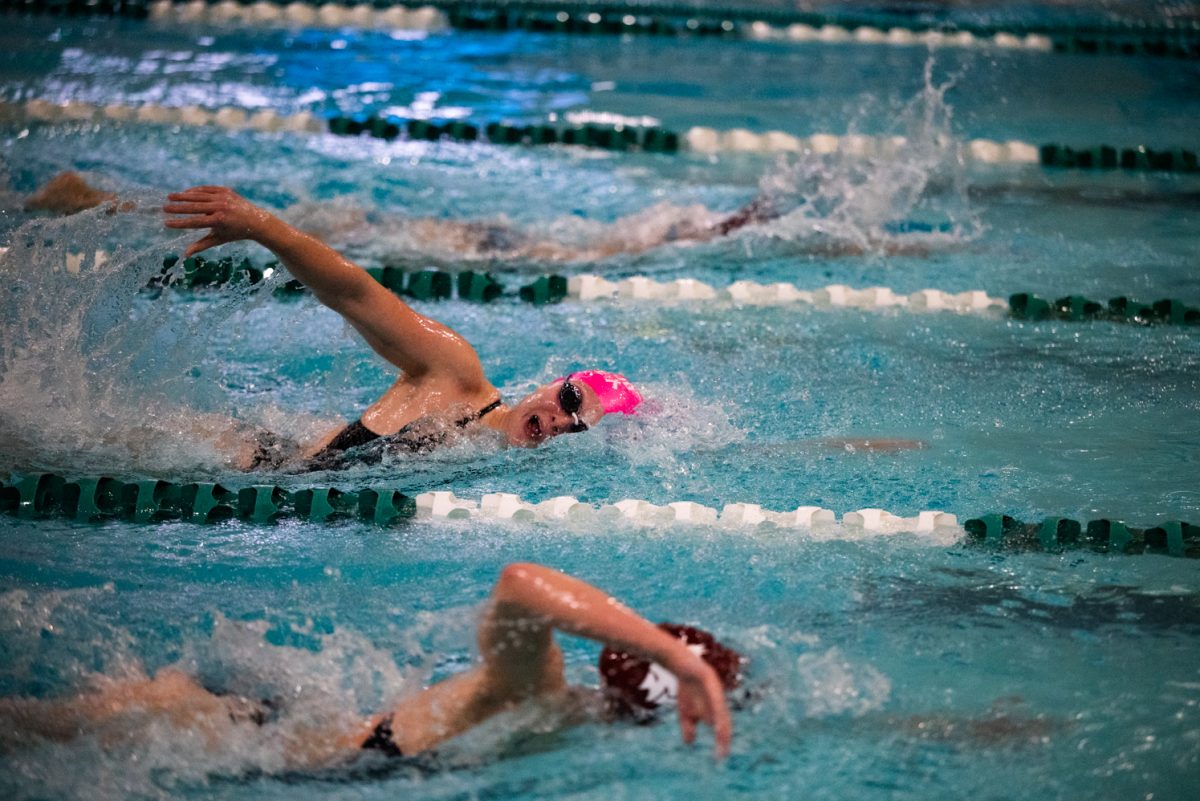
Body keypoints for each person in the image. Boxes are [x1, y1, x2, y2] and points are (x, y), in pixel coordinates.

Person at [0, 563, 741, 767]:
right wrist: (676, 655)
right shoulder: (537, 693)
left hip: (268, 723)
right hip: (239, 728)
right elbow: (520, 581)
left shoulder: (561, 714)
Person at [160, 185, 646, 470]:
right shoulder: (456, 374)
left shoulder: (487, 466)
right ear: (552, 383)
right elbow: (356, 294)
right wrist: (265, 228)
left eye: (577, 430)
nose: (561, 421)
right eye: (570, 401)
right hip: (236, 455)